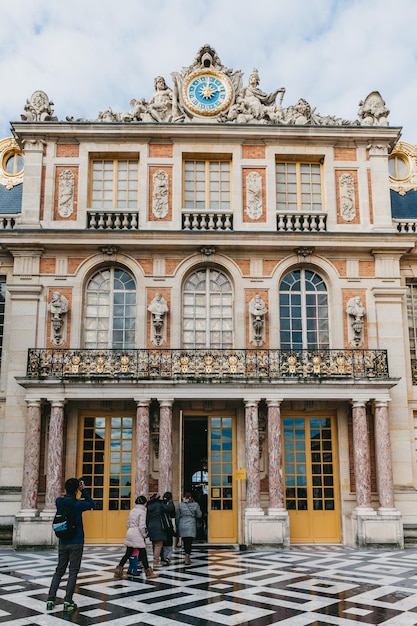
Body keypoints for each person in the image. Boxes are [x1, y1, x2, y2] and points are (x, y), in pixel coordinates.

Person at [46, 477, 95, 612]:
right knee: (73, 571)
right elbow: (92, 504)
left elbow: (61, 498)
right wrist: (83, 490)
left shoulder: (59, 501)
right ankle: (68, 600)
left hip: (63, 541)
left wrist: (74, 489)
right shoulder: (78, 504)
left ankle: (50, 598)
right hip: (76, 541)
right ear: (76, 489)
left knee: (59, 570)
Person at [114, 495, 157, 580]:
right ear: (145, 503)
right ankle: (148, 573)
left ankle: (118, 571)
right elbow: (142, 526)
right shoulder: (142, 512)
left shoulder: (132, 511)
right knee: (143, 553)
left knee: (128, 553)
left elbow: (128, 523)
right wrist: (144, 534)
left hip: (130, 532)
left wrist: (131, 530)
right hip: (137, 534)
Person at [146, 493, 173, 569]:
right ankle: (156, 562)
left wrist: (148, 528)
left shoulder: (149, 506)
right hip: (159, 526)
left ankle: (155, 559)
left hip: (151, 526)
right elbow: (169, 508)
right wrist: (170, 501)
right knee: (158, 545)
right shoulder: (159, 504)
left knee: (154, 544)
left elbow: (147, 519)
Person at [176, 492, 202, 565]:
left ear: (184, 497)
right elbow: (199, 515)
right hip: (191, 524)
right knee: (189, 542)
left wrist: (177, 525)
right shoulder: (196, 504)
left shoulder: (181, 505)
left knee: (185, 541)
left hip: (182, 524)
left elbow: (177, 516)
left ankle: (186, 555)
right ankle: (187, 556)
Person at [161, 491, 176, 565]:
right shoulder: (167, 505)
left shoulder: (161, 504)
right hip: (167, 525)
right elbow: (171, 510)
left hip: (162, 527)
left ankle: (164, 557)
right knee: (168, 543)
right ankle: (166, 558)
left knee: (164, 544)